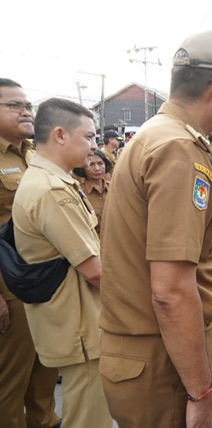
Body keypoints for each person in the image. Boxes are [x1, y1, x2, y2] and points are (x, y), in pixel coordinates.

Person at [99, 29, 212, 427]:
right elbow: (171, 292)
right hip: (159, 360)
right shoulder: (178, 149)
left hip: (147, 351)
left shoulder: (157, 136)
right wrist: (202, 392)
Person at [12, 97, 112, 426]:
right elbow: (95, 271)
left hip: (74, 320)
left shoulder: (55, 180)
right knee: (88, 418)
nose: (94, 146)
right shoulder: (52, 190)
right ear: (59, 135)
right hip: (79, 326)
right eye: (89, 136)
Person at [0, 78, 61, 428]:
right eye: (14, 105)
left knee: (45, 362)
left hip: (44, 278)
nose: (26, 111)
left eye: (27, 105)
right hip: (9, 285)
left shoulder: (31, 154)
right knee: (11, 375)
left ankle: (45, 421)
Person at [72, 150, 111, 235]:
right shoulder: (78, 193)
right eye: (91, 164)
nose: (97, 168)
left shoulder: (115, 189)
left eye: (100, 163)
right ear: (83, 168)